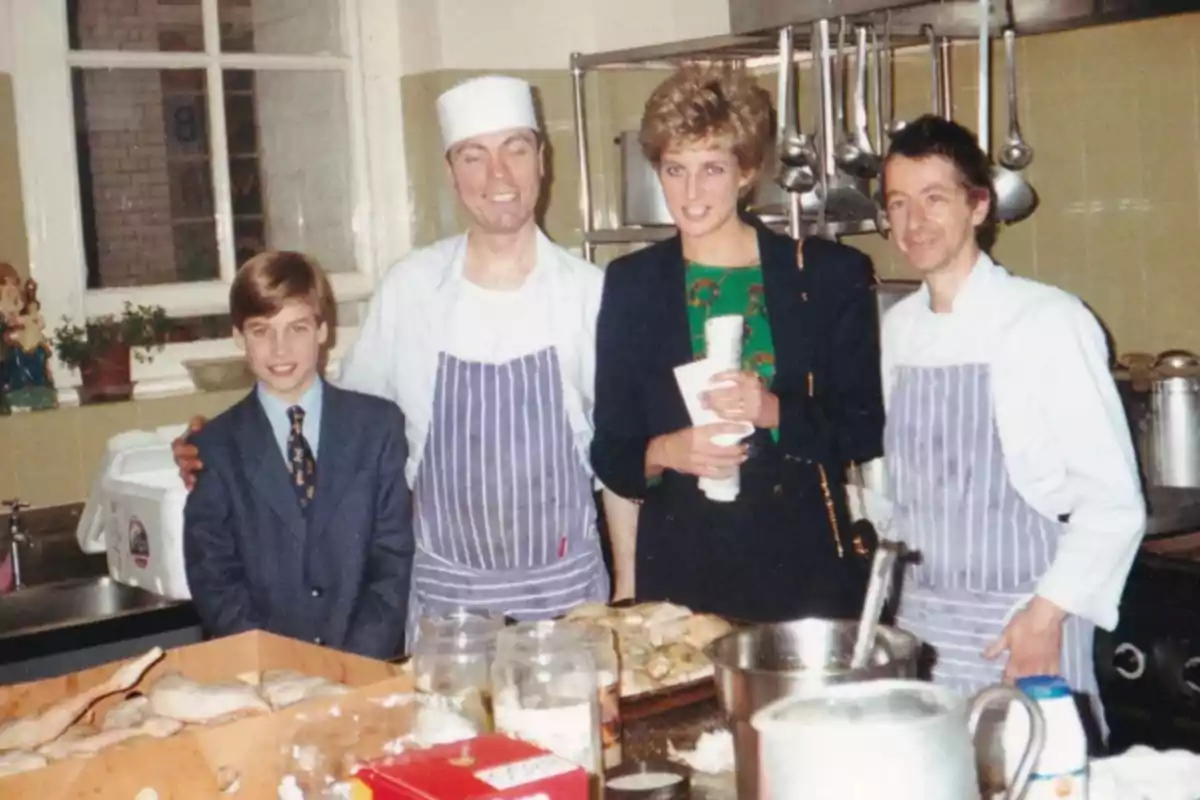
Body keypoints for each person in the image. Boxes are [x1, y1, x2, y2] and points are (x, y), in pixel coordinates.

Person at [175, 76, 610, 640]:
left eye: (516, 150)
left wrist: (626, 597)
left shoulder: (591, 294)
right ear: (452, 173)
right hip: (447, 609)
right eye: (473, 157)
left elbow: (626, 459)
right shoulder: (411, 289)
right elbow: (340, 431)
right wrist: (219, 446)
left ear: (542, 162)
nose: (497, 176)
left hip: (567, 599)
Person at [591, 64, 885, 623]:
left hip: (803, 569)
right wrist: (666, 452)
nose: (691, 193)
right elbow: (611, 449)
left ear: (747, 171)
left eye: (712, 169)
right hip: (682, 574)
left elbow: (865, 427)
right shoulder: (632, 284)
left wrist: (774, 409)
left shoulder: (825, 275)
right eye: (675, 169)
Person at [877, 115, 1145, 728]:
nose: (914, 223)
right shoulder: (899, 330)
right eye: (899, 203)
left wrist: (1044, 617)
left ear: (978, 205)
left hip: (1020, 626)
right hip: (920, 630)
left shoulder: (1046, 320)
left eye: (934, 199)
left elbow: (1113, 502)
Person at [183, 251, 413, 659]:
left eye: (297, 328)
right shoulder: (213, 448)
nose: (280, 349)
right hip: (265, 675)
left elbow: (393, 561)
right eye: (261, 331)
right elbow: (215, 580)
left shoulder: (377, 427)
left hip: (366, 664)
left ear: (323, 331)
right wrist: (281, 669)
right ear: (239, 337)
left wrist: (352, 663)